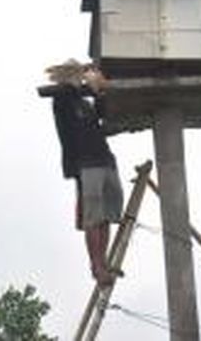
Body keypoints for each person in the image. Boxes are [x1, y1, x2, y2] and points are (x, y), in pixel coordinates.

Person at [46, 59, 123, 286]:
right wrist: (86, 76)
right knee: (93, 216)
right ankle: (97, 266)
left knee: (108, 214)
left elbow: (101, 109)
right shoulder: (63, 98)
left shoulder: (85, 103)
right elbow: (68, 89)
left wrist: (98, 88)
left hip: (105, 159)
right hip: (84, 163)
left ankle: (104, 261)